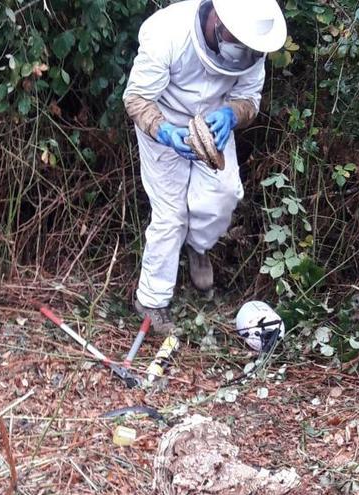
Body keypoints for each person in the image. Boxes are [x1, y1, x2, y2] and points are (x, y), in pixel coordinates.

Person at [122, 0, 287, 334]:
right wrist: (164, 131)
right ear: (218, 18)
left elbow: (250, 100)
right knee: (171, 214)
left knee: (223, 196)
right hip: (163, 122)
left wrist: (232, 114)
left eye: (248, 46)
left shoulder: (255, 46)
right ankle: (151, 301)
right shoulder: (167, 32)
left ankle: (198, 248)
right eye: (236, 41)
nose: (242, 50)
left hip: (213, 126)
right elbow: (136, 97)